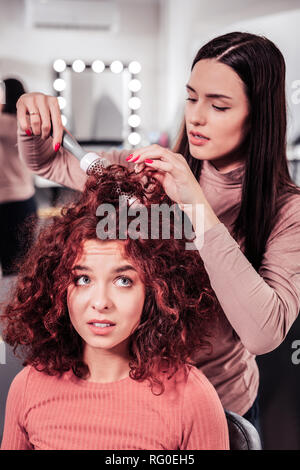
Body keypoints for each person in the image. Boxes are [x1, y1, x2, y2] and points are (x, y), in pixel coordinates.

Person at [15, 31, 300, 434]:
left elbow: (263, 333)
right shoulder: (149, 172)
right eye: (191, 98)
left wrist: (196, 207)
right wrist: (34, 118)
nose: (196, 117)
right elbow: (51, 162)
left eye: (218, 105)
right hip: (139, 398)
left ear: (259, 115)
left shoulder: (288, 209)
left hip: (219, 406)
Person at [0, 165, 229, 450]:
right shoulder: (28, 386)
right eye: (83, 279)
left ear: (156, 290)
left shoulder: (192, 397)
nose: (100, 302)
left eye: (123, 280)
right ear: (58, 288)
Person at [0, 78, 37, 277]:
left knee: (13, 271)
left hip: (12, 204)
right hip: (24, 200)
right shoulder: (24, 124)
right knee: (21, 268)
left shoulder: (8, 124)